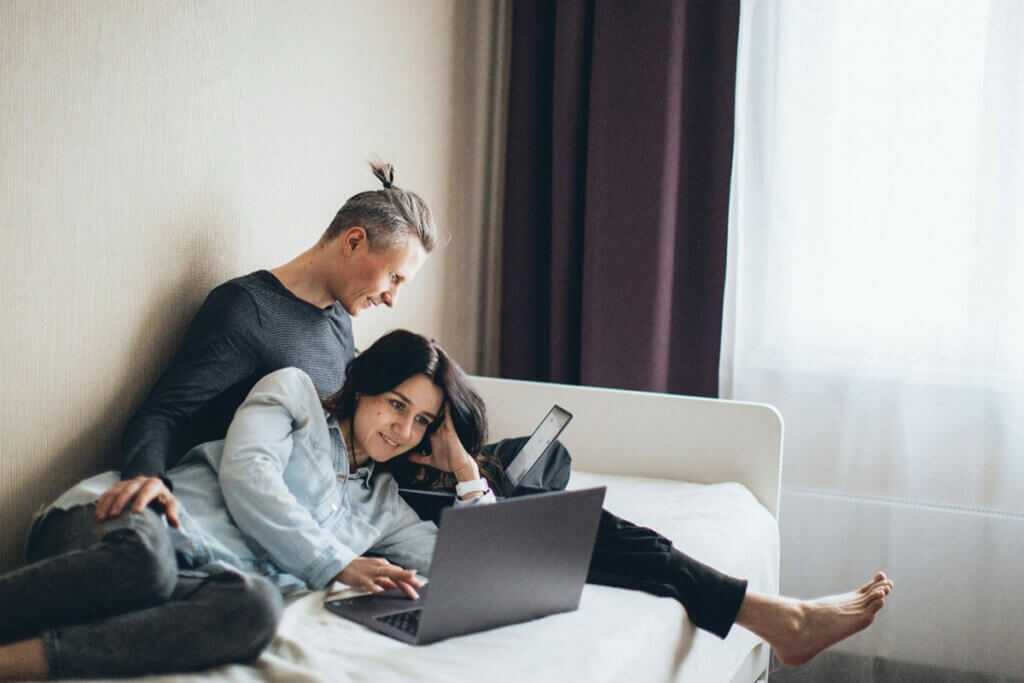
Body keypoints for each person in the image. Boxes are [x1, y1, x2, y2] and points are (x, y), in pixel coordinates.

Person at [88, 160, 890, 666]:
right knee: (573, 526)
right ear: (354, 241)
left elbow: (365, 418)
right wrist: (145, 480)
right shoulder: (246, 313)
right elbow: (164, 409)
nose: (393, 298)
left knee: (539, 488)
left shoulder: (336, 320)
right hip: (361, 494)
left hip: (383, 477)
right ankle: (764, 614)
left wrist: (448, 451)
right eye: (392, 278)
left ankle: (756, 609)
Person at [0, 330, 493, 679]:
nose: (403, 431)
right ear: (364, 385)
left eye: (424, 421)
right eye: (397, 404)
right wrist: (336, 563)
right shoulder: (295, 393)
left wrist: (465, 470)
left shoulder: (383, 504)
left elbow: (468, 567)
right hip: (131, 520)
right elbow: (248, 474)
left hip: (192, 579)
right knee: (145, 565)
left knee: (256, 606)